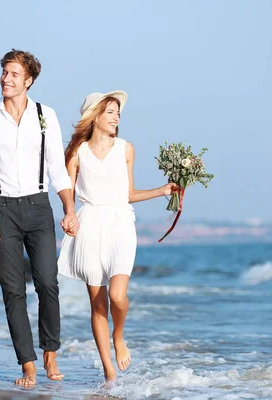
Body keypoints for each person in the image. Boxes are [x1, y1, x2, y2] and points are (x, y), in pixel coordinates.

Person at [0, 49, 79, 388]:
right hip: (1, 209)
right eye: (5, 73)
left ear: (28, 80)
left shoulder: (46, 115)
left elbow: (57, 171)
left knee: (48, 281)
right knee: (13, 289)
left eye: (14, 74)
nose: (6, 79)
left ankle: (50, 350)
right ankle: (28, 364)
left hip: (37, 205)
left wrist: (69, 209)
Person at [58, 91, 179, 382]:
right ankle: (108, 370)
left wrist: (161, 191)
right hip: (89, 225)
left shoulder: (126, 149)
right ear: (95, 116)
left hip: (120, 222)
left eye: (118, 113)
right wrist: (69, 214)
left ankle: (119, 335)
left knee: (117, 296)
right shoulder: (77, 153)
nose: (116, 117)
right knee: (98, 304)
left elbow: (127, 194)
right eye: (110, 112)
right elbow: (67, 193)